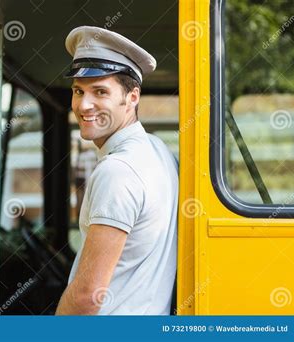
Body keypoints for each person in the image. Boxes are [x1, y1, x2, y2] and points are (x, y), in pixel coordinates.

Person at [56, 26, 178, 315]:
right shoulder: (158, 150)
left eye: (100, 91)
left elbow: (88, 297)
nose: (84, 105)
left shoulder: (117, 171)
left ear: (132, 97)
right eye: (78, 91)